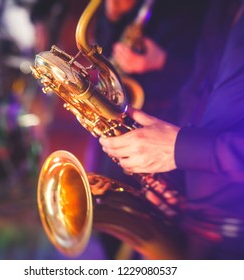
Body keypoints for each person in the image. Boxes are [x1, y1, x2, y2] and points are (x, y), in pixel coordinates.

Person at [99, 0, 244, 259]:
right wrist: (168, 173)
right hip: (197, 225)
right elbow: (200, 92)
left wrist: (182, 149)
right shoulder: (221, 8)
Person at [89, 0, 209, 259]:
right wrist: (113, 15)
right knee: (110, 217)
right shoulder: (121, 7)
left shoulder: (194, 8)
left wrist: (160, 62)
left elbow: (206, 73)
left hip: (167, 126)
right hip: (121, 123)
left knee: (156, 229)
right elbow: (104, 51)